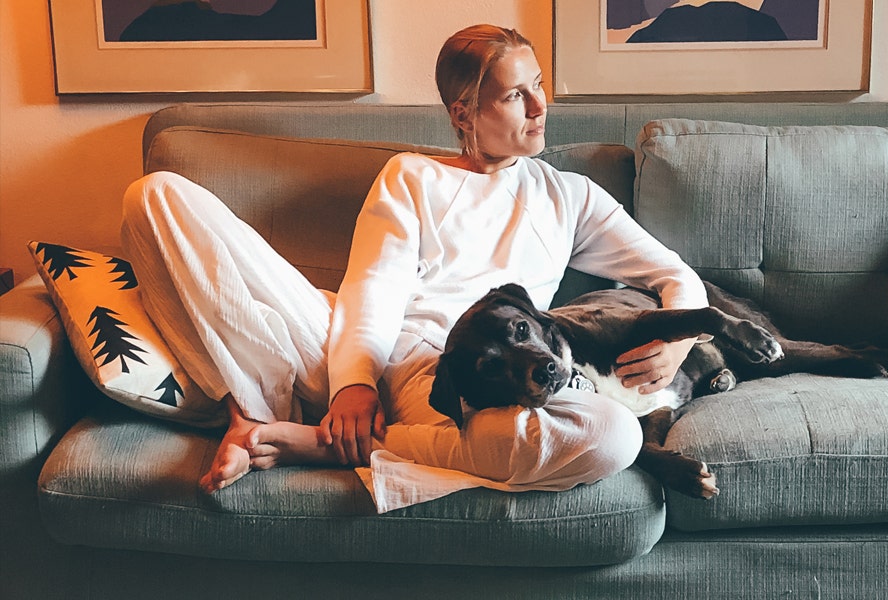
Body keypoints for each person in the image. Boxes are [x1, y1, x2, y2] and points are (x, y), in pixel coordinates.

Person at [120, 24, 707, 511]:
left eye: (538, 85)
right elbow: (373, 286)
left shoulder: (569, 195)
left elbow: (672, 273)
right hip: (374, 352)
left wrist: (681, 337)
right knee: (156, 195)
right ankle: (254, 411)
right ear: (465, 111)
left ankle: (328, 443)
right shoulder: (413, 176)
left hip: (470, 386)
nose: (538, 107)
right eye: (513, 96)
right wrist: (352, 384)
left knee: (613, 434)